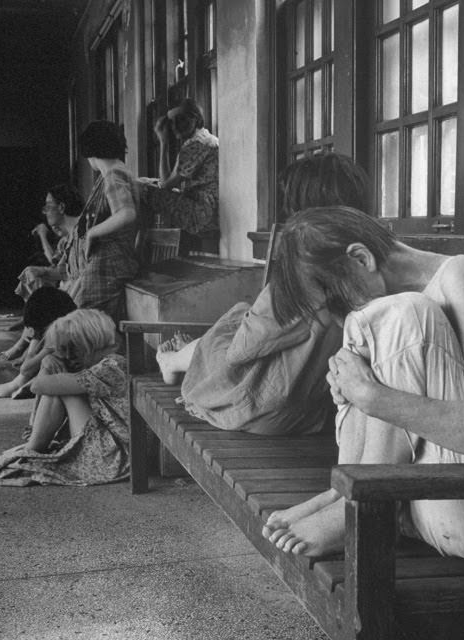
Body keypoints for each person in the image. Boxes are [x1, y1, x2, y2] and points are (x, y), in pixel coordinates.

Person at [260, 205, 464, 563]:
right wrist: (353, 388)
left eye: (333, 300)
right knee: (368, 330)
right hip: (436, 496)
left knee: (399, 314)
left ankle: (357, 507)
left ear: (360, 258)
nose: (338, 319)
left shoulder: (461, 275)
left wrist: (371, 396)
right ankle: (343, 497)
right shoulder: (388, 308)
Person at [155, 153, 371, 435]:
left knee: (227, 330)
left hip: (263, 409)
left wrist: (242, 320)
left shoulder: (302, 274)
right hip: (311, 411)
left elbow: (242, 348)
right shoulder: (366, 263)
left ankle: (171, 361)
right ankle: (181, 356)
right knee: (232, 325)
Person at [0, 309, 129, 486]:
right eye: (63, 350)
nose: (67, 356)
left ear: (90, 341)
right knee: (56, 380)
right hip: (108, 446)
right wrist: (50, 360)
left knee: (58, 387)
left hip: (112, 456)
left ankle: (33, 448)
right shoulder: (105, 362)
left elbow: (37, 386)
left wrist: (48, 362)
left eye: (73, 349)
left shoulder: (112, 365)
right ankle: (34, 445)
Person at [71, 120, 140, 325]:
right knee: (75, 306)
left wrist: (92, 233)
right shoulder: (120, 171)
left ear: (91, 150)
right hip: (114, 259)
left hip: (111, 262)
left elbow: (126, 213)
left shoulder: (113, 175)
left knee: (80, 316)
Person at [144, 98, 219, 235]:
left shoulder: (194, 144)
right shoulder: (207, 138)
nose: (174, 126)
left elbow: (166, 184)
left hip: (202, 214)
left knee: (143, 191)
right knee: (145, 183)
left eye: (180, 119)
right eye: (171, 122)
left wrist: (163, 141)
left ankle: (146, 242)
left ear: (195, 119)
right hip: (210, 209)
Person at [0, 288, 77, 399]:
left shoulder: (63, 332)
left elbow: (26, 369)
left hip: (77, 376)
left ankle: (28, 385)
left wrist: (15, 384)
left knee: (49, 362)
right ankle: (26, 384)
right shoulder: (60, 321)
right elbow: (28, 365)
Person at [13, 184, 85, 303]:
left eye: (48, 206)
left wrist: (64, 306)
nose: (45, 212)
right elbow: (63, 272)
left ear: (61, 207)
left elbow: (82, 278)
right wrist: (41, 271)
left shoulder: (83, 236)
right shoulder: (68, 240)